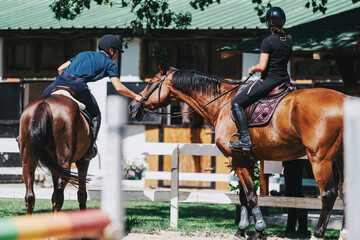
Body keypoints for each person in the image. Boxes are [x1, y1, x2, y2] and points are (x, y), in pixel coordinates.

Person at [42, 34, 143, 160]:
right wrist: (135, 96)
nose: (117, 56)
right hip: (78, 85)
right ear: (111, 50)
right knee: (96, 115)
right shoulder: (110, 64)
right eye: (117, 53)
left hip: (60, 80)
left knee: (41, 104)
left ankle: (25, 134)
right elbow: (118, 87)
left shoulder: (83, 54)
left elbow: (60, 68)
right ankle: (89, 149)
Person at [229, 6, 292, 151]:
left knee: (237, 102)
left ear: (268, 23)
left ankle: (245, 139)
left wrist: (253, 68)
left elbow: (262, 67)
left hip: (270, 81)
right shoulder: (289, 39)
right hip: (285, 80)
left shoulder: (268, 41)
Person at [283, 160, 310, 236]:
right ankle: (292, 227)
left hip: (296, 160)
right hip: (289, 161)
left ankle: (302, 227)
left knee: (296, 193)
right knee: (291, 193)